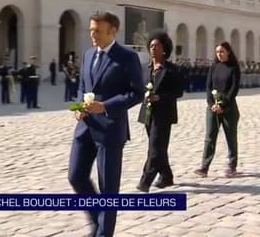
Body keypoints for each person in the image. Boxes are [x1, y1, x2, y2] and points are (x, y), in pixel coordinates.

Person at [68, 12, 144, 237]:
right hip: (85, 128)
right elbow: (83, 86)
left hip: (111, 130)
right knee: (76, 175)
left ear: (113, 31)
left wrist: (107, 105)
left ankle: (103, 234)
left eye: (98, 31)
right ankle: (97, 221)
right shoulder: (88, 54)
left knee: (108, 188)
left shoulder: (127, 57)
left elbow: (137, 93)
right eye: (91, 30)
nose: (93, 35)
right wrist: (81, 105)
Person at [136, 30, 183, 192]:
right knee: (159, 146)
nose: (153, 49)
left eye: (156, 46)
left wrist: (160, 97)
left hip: (164, 113)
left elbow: (178, 92)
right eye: (151, 46)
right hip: (148, 113)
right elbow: (139, 87)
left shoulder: (171, 70)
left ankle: (145, 181)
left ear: (164, 49)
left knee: (155, 148)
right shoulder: (144, 68)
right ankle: (166, 176)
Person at [194, 42, 241, 178]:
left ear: (228, 52)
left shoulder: (234, 68)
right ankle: (204, 166)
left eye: (222, 52)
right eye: (217, 52)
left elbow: (234, 89)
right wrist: (211, 104)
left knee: (231, 137)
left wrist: (223, 105)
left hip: (229, 108)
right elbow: (208, 86)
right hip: (213, 107)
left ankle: (232, 165)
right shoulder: (214, 67)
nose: (219, 54)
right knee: (210, 137)